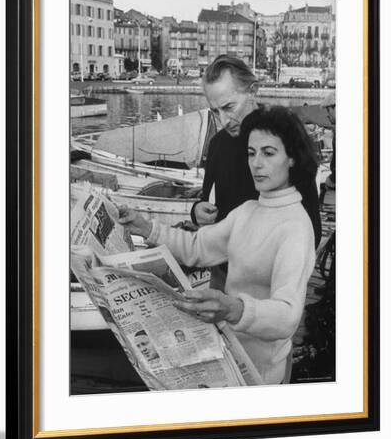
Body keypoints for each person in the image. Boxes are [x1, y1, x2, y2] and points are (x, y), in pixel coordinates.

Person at [119, 106, 317, 385]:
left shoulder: (295, 227)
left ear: (293, 159)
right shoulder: (248, 210)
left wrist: (235, 309)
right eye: (251, 153)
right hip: (228, 354)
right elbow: (196, 247)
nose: (256, 163)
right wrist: (146, 228)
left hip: (262, 373)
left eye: (268, 153)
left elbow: (287, 315)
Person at [192, 54, 322, 251]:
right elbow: (207, 200)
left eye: (229, 107)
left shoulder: (287, 136)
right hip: (223, 269)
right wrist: (197, 212)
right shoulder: (218, 143)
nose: (224, 120)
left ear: (253, 91)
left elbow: (312, 228)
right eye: (216, 112)